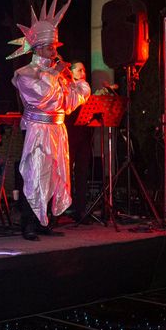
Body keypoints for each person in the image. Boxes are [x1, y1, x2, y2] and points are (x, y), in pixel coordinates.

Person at [8, 0, 90, 241]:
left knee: (54, 174)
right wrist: (55, 75)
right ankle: (29, 224)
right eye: (50, 46)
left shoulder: (59, 73)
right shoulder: (26, 73)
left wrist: (79, 84)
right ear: (38, 48)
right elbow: (41, 96)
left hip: (57, 128)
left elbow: (69, 101)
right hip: (38, 129)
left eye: (55, 46)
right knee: (35, 174)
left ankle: (45, 221)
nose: (54, 50)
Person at [64, 60, 94, 224]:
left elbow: (84, 99)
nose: (83, 73)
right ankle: (63, 207)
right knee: (66, 171)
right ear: (72, 71)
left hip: (83, 134)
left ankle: (80, 208)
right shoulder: (67, 86)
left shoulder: (84, 86)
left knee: (82, 172)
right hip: (68, 133)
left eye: (84, 70)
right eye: (79, 70)